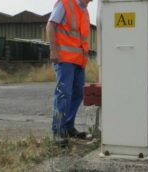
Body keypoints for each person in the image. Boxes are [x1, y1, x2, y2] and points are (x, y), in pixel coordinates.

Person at [46, 0, 93, 145]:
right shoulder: (65, 3)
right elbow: (50, 25)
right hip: (64, 59)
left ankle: (67, 127)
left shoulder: (85, 12)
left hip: (79, 61)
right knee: (64, 93)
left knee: (78, 94)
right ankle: (58, 131)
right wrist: (53, 51)